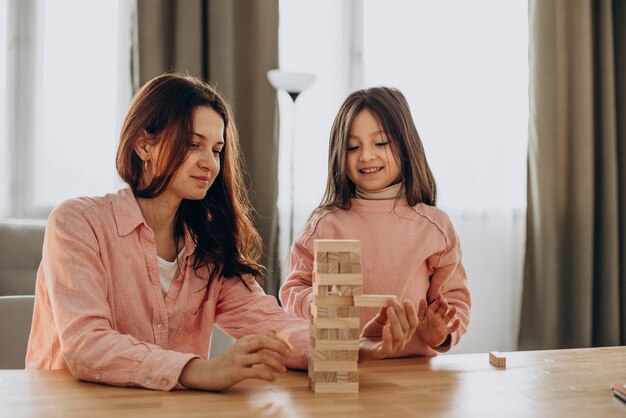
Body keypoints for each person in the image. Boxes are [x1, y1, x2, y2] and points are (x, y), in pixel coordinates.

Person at [25, 74, 416, 392]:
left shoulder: (208, 246)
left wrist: (352, 347)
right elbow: (87, 345)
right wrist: (198, 371)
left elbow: (271, 324)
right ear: (144, 143)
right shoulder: (77, 223)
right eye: (194, 144)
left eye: (216, 149)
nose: (209, 163)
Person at [280, 87, 471, 357]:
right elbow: (294, 289)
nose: (366, 155)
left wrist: (441, 333)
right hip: (343, 368)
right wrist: (316, 303)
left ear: (405, 147)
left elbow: (454, 299)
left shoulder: (434, 227)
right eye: (353, 147)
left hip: (413, 373)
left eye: (380, 143)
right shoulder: (325, 225)